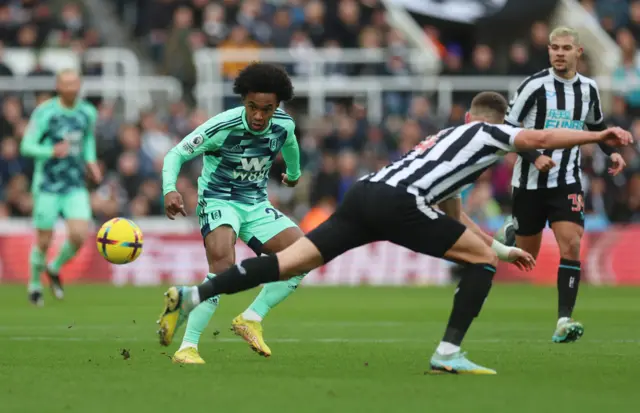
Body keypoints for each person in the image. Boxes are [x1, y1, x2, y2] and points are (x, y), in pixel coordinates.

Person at [157, 91, 632, 374]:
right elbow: (542, 138)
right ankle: (448, 352)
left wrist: (505, 250)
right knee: (478, 264)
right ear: (498, 121)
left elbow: (456, 218)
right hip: (398, 206)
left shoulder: (447, 137)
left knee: (289, 263)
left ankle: (195, 294)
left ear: (466, 116)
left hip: (364, 194)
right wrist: (598, 136)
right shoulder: (493, 134)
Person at [161, 62, 307, 364]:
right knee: (224, 268)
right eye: (252, 106)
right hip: (218, 201)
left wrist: (293, 173)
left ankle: (251, 317)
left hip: (255, 204)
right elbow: (176, 153)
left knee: (304, 255)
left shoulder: (284, 124)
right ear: (244, 100)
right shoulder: (222, 126)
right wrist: (169, 189)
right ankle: (187, 347)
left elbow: (290, 145)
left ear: (277, 105)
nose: (258, 115)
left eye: (266, 109)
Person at [495, 27, 626, 343]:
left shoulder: (589, 89)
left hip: (566, 180)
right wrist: (534, 156)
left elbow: (595, 126)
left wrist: (612, 153)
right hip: (529, 182)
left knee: (571, 244)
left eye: (566, 48)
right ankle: (514, 230)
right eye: (554, 47)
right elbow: (505, 131)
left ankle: (564, 320)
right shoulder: (532, 86)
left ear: (578, 52)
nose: (559, 53)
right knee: (528, 255)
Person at [20, 69, 101, 306]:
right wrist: (50, 151)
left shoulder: (87, 112)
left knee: (78, 235)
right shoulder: (46, 112)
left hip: (75, 184)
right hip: (47, 184)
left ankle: (54, 267)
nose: (71, 87)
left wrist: (91, 161)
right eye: (66, 83)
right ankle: (34, 284)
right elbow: (27, 145)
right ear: (58, 86)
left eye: (74, 83)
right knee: (44, 240)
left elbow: (87, 140)